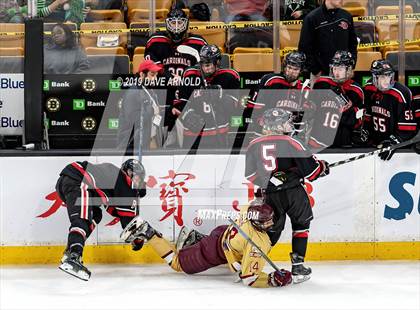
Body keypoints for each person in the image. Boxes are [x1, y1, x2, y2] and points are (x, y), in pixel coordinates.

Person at [120, 199, 293, 288]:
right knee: (178, 263)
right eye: (267, 222)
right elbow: (249, 279)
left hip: (221, 233)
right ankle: (146, 231)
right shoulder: (258, 242)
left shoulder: (247, 209)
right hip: (213, 250)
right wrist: (272, 280)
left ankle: (194, 239)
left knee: (236, 259)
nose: (270, 224)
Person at [245, 107, 329, 283]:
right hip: (294, 193)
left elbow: (250, 175)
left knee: (271, 230)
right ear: (277, 125)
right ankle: (298, 267)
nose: (289, 124)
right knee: (301, 224)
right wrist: (322, 167)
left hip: (270, 195)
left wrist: (271, 181)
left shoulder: (253, 144)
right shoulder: (292, 142)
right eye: (285, 121)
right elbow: (312, 172)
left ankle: (250, 262)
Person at [56, 159, 147, 281]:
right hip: (78, 180)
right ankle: (73, 257)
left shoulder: (116, 181)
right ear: (126, 171)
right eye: (134, 175)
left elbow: (116, 210)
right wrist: (137, 237)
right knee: (82, 220)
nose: (137, 179)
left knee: (95, 214)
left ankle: (71, 250)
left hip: (72, 180)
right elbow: (129, 221)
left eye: (140, 177)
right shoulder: (123, 181)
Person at [144, 8, 207, 146]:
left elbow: (205, 69)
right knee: (159, 139)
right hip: (164, 98)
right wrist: (168, 77)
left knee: (189, 141)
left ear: (186, 24)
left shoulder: (198, 42)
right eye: (173, 23)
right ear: (167, 24)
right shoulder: (156, 41)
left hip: (188, 100)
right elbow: (151, 66)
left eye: (180, 23)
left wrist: (185, 81)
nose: (177, 27)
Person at [174, 44, 241, 149]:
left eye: (209, 64)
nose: (206, 67)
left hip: (220, 133)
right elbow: (179, 103)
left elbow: (235, 108)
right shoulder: (190, 74)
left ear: (217, 63)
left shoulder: (230, 76)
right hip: (192, 134)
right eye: (204, 64)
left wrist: (220, 95)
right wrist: (187, 115)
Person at [245, 51, 312, 140]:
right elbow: (253, 108)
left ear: (301, 71)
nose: (291, 72)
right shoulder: (271, 81)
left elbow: (304, 120)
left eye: (295, 69)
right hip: (266, 132)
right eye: (289, 67)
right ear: (285, 67)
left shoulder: (305, 89)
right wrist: (261, 124)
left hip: (290, 137)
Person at [309, 51, 364, 148]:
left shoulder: (356, 91)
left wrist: (343, 102)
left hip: (343, 143)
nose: (336, 73)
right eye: (334, 68)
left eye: (341, 69)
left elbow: (357, 121)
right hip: (317, 141)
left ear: (349, 69)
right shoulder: (321, 84)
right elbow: (311, 111)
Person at [364, 59, 417, 161]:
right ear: (375, 77)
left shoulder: (402, 93)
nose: (386, 80)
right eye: (383, 77)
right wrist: (365, 131)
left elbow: (408, 128)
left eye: (389, 76)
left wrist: (394, 142)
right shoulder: (368, 88)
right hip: (374, 145)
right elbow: (367, 115)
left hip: (397, 150)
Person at [298, 0, 358, 79]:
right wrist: (315, 70)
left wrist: (351, 66)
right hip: (320, 75)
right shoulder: (311, 18)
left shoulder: (347, 16)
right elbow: (304, 48)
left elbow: (353, 44)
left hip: (343, 73)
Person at [117, 59, 163, 151]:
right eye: (152, 75)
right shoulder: (133, 92)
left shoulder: (148, 91)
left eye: (156, 75)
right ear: (142, 75)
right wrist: (153, 110)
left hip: (148, 141)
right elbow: (133, 119)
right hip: (134, 147)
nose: (155, 79)